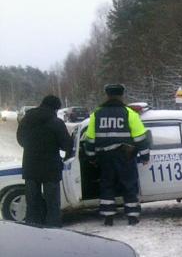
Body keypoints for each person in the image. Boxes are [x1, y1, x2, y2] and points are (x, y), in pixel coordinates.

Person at [84, 84, 150, 226]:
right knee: (129, 184)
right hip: (125, 156)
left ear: (107, 95)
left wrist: (91, 157)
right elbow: (140, 138)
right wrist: (145, 156)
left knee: (107, 185)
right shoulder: (130, 113)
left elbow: (89, 139)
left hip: (105, 157)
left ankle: (108, 218)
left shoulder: (97, 114)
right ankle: (132, 217)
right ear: (121, 96)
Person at [15, 95, 72, 227]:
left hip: (30, 167)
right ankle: (53, 230)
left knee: (32, 203)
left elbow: (20, 140)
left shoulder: (26, 120)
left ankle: (33, 228)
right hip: (50, 169)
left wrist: (32, 147)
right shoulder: (56, 122)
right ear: (55, 108)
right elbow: (66, 145)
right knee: (52, 204)